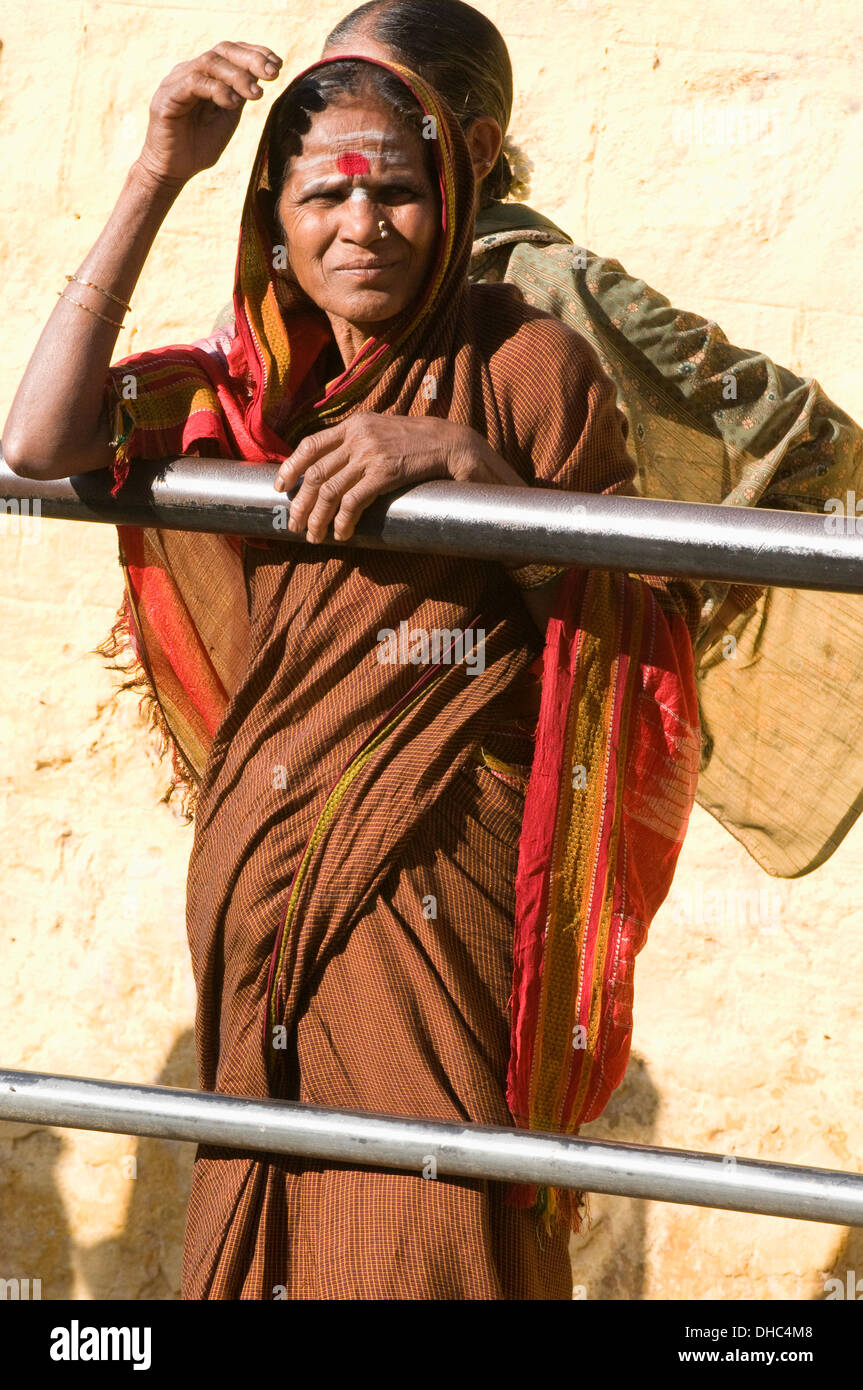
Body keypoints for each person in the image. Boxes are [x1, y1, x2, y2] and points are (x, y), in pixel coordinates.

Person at [3, 45, 701, 1298]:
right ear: (274, 221)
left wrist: (471, 470)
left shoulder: (526, 362)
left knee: (428, 1224)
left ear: (451, 202)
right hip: (263, 862)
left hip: (442, 865)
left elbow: (640, 629)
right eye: (320, 197)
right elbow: (39, 438)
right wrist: (159, 171)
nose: (359, 225)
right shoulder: (247, 384)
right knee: (273, 1188)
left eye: (395, 192)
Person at [291, 0, 863, 882]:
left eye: (377, 95)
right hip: (317, 753)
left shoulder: (550, 295)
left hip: (495, 758)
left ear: (474, 151)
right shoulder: (298, 288)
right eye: (325, 90)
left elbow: (803, 440)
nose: (339, 117)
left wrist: (663, 588)